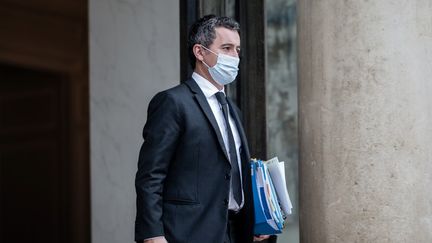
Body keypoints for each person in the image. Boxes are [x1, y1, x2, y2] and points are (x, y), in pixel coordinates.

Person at [134, 15, 270, 243]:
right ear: (200, 52)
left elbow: (232, 173)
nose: (235, 57)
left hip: (235, 232)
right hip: (188, 233)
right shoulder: (173, 102)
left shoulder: (233, 109)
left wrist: (255, 222)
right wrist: (153, 234)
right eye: (226, 48)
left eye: (237, 49)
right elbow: (151, 175)